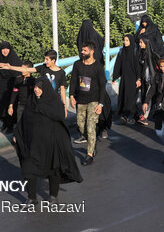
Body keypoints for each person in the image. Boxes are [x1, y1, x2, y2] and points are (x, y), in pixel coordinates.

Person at [13, 78, 83, 206]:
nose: (36, 90)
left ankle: (53, 196)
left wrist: (41, 107)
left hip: (50, 144)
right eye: (35, 87)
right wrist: (17, 132)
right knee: (28, 168)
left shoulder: (54, 101)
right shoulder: (31, 101)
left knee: (53, 170)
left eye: (39, 88)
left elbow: (59, 115)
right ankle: (32, 198)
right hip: (32, 144)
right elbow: (24, 119)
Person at [69, 42, 107, 165]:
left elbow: (102, 86)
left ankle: (90, 154)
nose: (82, 52)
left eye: (85, 50)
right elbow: (73, 80)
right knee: (81, 125)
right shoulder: (77, 64)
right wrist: (71, 96)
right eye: (82, 50)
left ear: (91, 52)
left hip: (94, 100)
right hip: (81, 100)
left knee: (90, 126)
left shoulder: (98, 66)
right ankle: (92, 141)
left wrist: (100, 104)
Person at [0, 50, 68, 118]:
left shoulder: (61, 73)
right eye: (45, 59)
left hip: (54, 102)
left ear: (53, 60)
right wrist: (10, 67)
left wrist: (64, 106)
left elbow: (62, 90)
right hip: (42, 102)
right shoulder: (43, 67)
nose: (45, 61)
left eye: (47, 59)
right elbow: (26, 70)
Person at [0, 42, 22, 133]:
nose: (5, 51)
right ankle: (5, 123)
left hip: (11, 87)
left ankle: (10, 125)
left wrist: (9, 67)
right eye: (3, 49)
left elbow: (17, 72)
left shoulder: (14, 59)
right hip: (1, 88)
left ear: (10, 49)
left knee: (10, 105)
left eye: (7, 49)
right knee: (1, 105)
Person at [113, 34, 140, 125]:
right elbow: (118, 64)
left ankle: (131, 115)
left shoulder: (135, 51)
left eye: (127, 40)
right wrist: (115, 77)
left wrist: (138, 78)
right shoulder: (122, 51)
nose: (125, 42)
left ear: (131, 41)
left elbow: (138, 67)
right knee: (124, 96)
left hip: (133, 78)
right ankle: (126, 114)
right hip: (124, 78)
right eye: (124, 40)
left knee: (132, 97)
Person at [9, 61, 35, 125]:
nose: (22, 70)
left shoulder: (33, 80)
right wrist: (11, 105)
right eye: (21, 68)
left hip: (30, 106)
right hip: (20, 105)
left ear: (29, 69)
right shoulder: (18, 79)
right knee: (19, 123)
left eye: (24, 69)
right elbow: (14, 93)